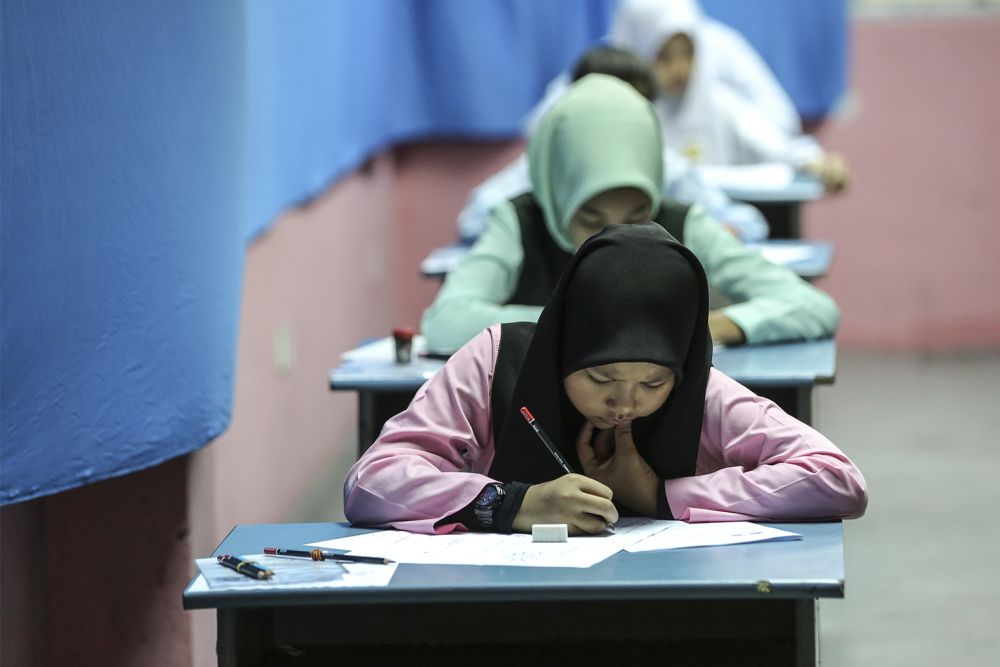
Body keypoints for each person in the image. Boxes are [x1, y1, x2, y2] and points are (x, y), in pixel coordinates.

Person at [344, 223, 867, 534]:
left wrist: (661, 495)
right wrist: (513, 503)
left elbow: (837, 480)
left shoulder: (698, 391)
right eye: (599, 377)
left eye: (651, 385)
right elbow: (370, 483)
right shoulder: (495, 362)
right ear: (565, 344)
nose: (623, 403)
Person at [423, 74, 840, 354]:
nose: (615, 239)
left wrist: (715, 327)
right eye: (590, 217)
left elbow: (811, 305)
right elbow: (446, 323)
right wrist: (588, 323)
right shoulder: (517, 224)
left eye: (638, 214)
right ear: (557, 192)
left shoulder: (682, 223)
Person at [463, 46, 769, 244]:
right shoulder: (545, 166)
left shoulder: (667, 168)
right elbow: (474, 219)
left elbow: (749, 223)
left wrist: (717, 236)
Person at [611, 0, 850, 191]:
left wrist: (815, 162)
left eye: (687, 54)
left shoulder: (719, 103)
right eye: (664, 56)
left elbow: (777, 144)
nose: (679, 69)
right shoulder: (621, 115)